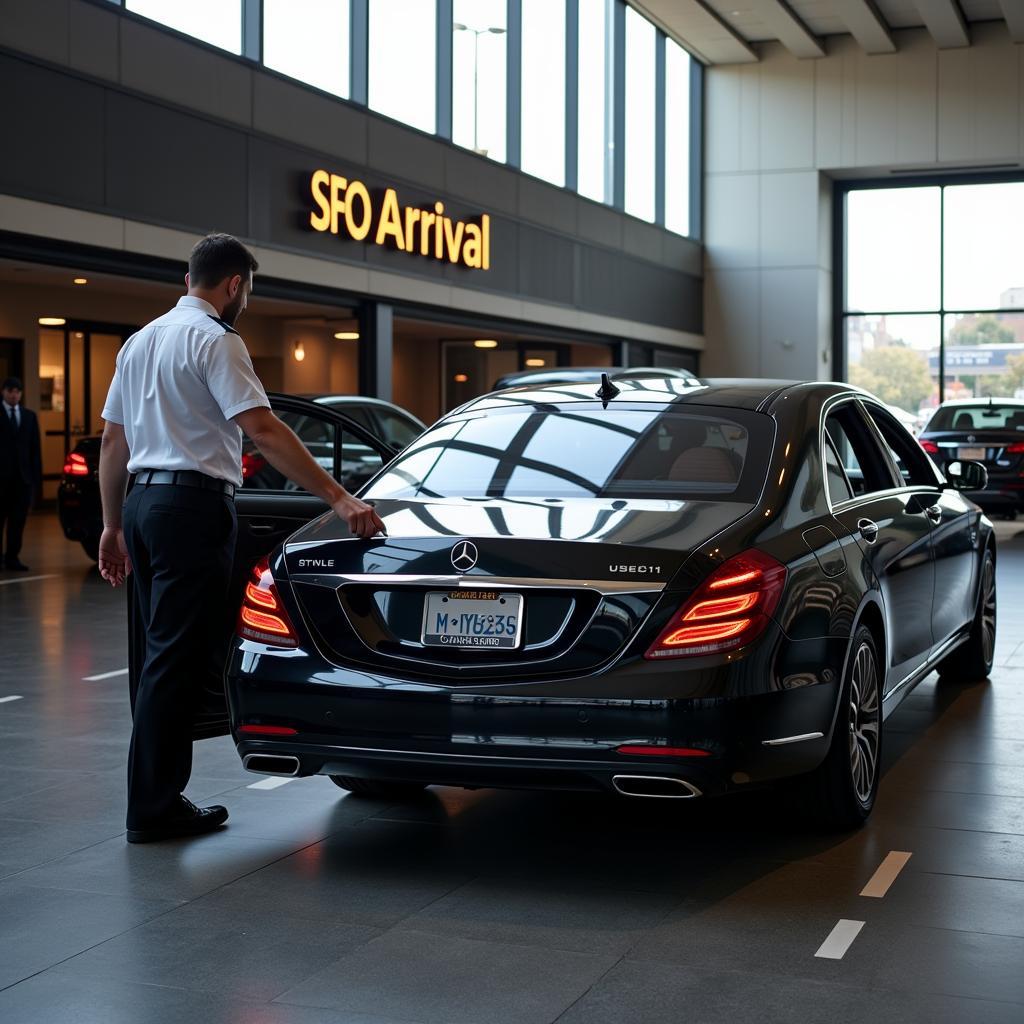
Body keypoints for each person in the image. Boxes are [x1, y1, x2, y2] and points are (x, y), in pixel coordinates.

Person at [98, 232, 385, 844]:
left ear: (187, 280)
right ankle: (153, 807)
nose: (245, 302)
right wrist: (339, 498)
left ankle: (157, 798)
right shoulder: (217, 341)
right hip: (190, 509)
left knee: (160, 656)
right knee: (175, 660)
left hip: (145, 503)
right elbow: (263, 428)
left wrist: (113, 524)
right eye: (246, 291)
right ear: (233, 285)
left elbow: (113, 443)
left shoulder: (140, 341)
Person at [0, 376, 42, 571]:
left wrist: (35, 481)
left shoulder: (29, 416)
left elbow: (35, 450)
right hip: (1, 479)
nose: (14, 395)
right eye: (10, 391)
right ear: (4, 392)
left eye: (17, 391)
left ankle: (12, 557)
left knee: (18, 521)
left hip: (22, 480)